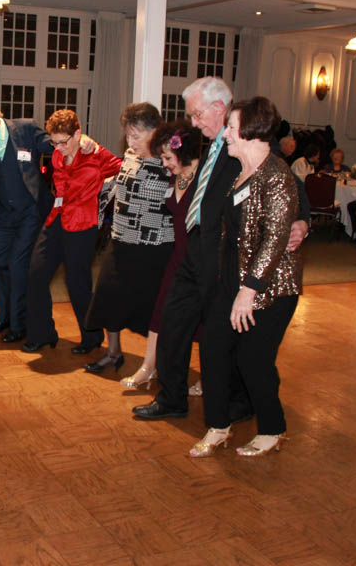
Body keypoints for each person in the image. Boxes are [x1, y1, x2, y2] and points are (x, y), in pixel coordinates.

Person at [132, 77, 307, 421]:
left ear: (218, 108)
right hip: (194, 251)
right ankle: (172, 398)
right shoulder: (209, 141)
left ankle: (243, 402)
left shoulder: (244, 141)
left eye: (198, 114)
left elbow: (290, 186)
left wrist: (302, 222)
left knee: (229, 335)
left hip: (223, 258)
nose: (193, 122)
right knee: (173, 321)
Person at [190, 96, 302, 458]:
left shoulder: (277, 177)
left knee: (253, 361)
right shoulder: (240, 172)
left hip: (271, 289)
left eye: (233, 128)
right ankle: (219, 426)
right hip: (232, 282)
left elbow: (275, 239)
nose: (226, 136)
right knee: (213, 350)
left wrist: (248, 291)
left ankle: (273, 428)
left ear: (254, 133)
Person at [0, 98, 93, 343]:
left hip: (31, 213)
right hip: (3, 214)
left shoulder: (24, 129)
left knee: (18, 266)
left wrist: (81, 140)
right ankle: (4, 317)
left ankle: (19, 325)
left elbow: (53, 146)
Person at [99, 118, 202, 390]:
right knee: (160, 315)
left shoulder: (204, 177)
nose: (164, 162)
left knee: (203, 322)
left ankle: (210, 376)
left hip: (200, 257)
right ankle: (148, 367)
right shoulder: (174, 174)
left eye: (168, 157)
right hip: (176, 255)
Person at [21, 110, 122, 354]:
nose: (58, 147)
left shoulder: (96, 155)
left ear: (78, 134)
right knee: (36, 272)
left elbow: (123, 168)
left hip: (82, 225)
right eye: (54, 142)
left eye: (63, 142)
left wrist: (107, 194)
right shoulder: (57, 156)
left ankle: (91, 337)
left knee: (77, 283)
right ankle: (42, 333)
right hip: (57, 218)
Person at [84, 103, 168, 375]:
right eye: (128, 135)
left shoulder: (170, 159)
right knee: (108, 296)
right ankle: (113, 353)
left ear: (155, 131)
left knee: (153, 308)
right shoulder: (131, 155)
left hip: (153, 245)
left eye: (137, 135)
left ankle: (153, 364)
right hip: (121, 238)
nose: (131, 142)